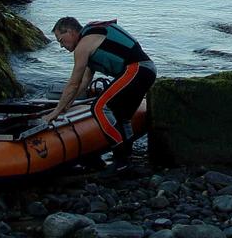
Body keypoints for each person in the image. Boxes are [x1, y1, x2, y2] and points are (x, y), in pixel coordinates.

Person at [44, 17, 156, 172]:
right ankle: (126, 158)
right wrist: (67, 105)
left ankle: (120, 156)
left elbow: (73, 83)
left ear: (70, 31)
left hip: (137, 69)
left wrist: (55, 112)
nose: (62, 46)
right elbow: (84, 83)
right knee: (122, 116)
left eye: (61, 40)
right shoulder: (91, 41)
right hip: (147, 71)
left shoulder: (83, 46)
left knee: (99, 108)